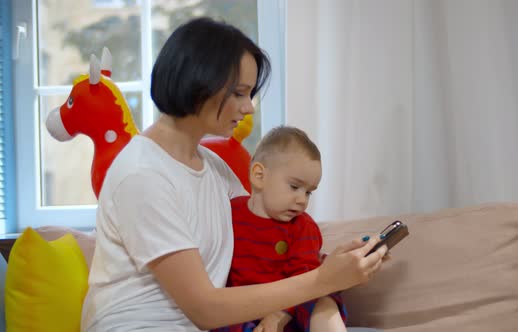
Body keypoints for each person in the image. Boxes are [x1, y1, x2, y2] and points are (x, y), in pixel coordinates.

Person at [81, 17, 388, 332]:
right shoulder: (142, 175)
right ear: (200, 83)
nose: (250, 108)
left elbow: (264, 238)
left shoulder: (213, 167)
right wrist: (322, 280)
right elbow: (204, 308)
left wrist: (337, 267)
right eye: (240, 93)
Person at [217, 126, 347, 332]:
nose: (302, 200)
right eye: (295, 187)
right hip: (242, 306)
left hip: (291, 307)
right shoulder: (228, 213)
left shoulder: (303, 226)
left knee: (323, 299)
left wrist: (280, 315)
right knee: (221, 316)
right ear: (259, 176)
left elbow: (306, 279)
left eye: (309, 192)